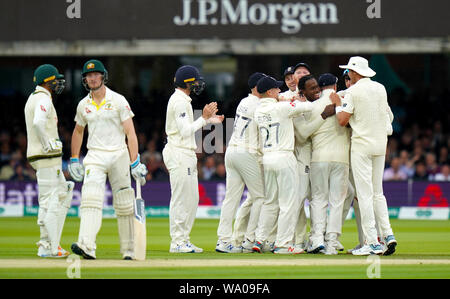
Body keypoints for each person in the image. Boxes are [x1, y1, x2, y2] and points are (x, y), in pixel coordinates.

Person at [69, 59, 148, 260]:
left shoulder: (118, 100)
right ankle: (87, 245)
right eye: (89, 75)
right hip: (95, 156)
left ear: (103, 76)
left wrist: (135, 162)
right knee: (90, 198)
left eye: (96, 74)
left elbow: (130, 133)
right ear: (85, 79)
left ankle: (129, 250)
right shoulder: (83, 105)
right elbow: (78, 132)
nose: (93, 78)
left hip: (119, 155)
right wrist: (74, 159)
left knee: (124, 204)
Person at [331, 56, 397, 256]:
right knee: (378, 193)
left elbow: (342, 120)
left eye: (350, 71)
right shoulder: (380, 88)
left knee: (365, 194)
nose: (348, 74)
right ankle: (388, 235)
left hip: (361, 146)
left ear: (354, 72)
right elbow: (386, 115)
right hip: (380, 145)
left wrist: (336, 104)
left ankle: (372, 242)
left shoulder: (352, 91)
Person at [162, 65, 224, 253]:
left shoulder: (183, 100)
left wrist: (209, 120)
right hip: (179, 152)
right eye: (195, 81)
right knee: (181, 199)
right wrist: (204, 118)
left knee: (191, 198)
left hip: (185, 153)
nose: (198, 84)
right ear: (187, 82)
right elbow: (185, 130)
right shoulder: (180, 101)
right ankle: (177, 242)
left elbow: (188, 126)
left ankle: (184, 240)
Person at [253, 75, 314, 254]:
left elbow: (277, 106)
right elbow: (308, 106)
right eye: (277, 89)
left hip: (267, 158)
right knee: (288, 203)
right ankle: (283, 244)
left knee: (270, 201)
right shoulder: (282, 107)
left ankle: (259, 239)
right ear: (270, 92)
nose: (280, 91)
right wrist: (297, 99)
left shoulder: (258, 111)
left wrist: (284, 100)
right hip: (284, 157)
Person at [296, 73, 350, 255]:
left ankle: (317, 238)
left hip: (318, 158)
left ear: (321, 87)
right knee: (337, 202)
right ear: (335, 86)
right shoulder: (343, 101)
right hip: (341, 158)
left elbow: (303, 134)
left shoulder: (312, 107)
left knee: (318, 199)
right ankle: (332, 243)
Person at [24, 64, 73, 258]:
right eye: (55, 79)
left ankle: (46, 244)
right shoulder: (43, 98)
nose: (58, 82)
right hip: (45, 157)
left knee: (64, 191)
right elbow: (37, 122)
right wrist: (48, 144)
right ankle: (51, 247)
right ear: (46, 81)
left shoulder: (35, 97)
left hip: (43, 157)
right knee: (50, 200)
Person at [215, 72, 266, 253]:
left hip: (232, 152)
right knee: (260, 197)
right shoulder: (259, 105)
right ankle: (248, 240)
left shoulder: (244, 102)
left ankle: (223, 241)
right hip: (246, 153)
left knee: (231, 198)